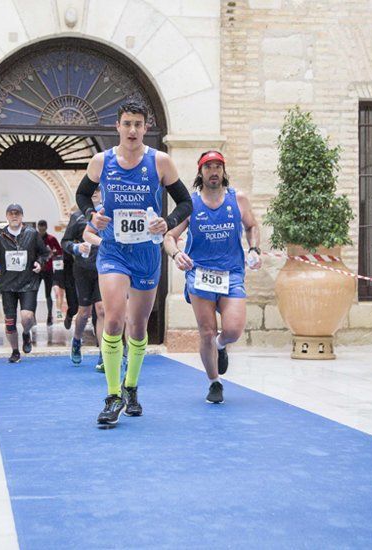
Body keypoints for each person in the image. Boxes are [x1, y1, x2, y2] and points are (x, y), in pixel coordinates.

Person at [75, 100, 193, 427]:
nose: (132, 130)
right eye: (127, 123)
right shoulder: (102, 162)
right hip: (113, 249)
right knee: (113, 320)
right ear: (118, 126)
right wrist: (91, 216)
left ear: (145, 128)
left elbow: (185, 202)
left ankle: (131, 387)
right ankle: (112, 396)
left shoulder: (161, 162)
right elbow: (83, 196)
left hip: (146, 253)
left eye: (138, 124)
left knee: (138, 327)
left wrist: (166, 223)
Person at [163, 151, 262, 404]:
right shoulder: (190, 205)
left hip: (232, 274)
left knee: (232, 330)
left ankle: (221, 346)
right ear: (201, 173)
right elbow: (168, 237)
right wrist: (176, 255)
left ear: (224, 171)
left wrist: (254, 249)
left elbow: (252, 226)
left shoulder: (237, 199)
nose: (214, 171)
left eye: (218, 166)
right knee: (206, 331)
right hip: (200, 274)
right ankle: (214, 382)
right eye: (208, 167)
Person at [0, 204, 50, 363]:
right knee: (10, 322)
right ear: (7, 216)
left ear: (22, 216)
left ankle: (26, 333)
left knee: (26, 316)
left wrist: (40, 262)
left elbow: (45, 253)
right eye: (11, 214)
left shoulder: (32, 235)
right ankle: (15, 351)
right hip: (8, 285)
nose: (14, 216)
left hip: (28, 283)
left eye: (17, 213)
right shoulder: (0, 238)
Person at [61, 190, 105, 371]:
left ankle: (104, 355)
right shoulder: (78, 216)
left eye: (98, 190)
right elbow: (65, 242)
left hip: (105, 269)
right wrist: (77, 247)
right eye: (91, 190)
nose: (94, 193)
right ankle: (77, 339)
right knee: (84, 312)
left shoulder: (110, 214)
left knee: (102, 310)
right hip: (83, 269)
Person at [36, 220, 64, 326]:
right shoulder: (35, 238)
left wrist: (52, 253)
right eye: (40, 228)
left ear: (46, 228)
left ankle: (49, 316)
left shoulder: (51, 239)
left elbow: (60, 251)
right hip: (37, 270)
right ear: (38, 228)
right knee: (33, 293)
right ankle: (33, 315)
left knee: (48, 294)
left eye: (43, 229)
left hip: (48, 270)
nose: (41, 230)